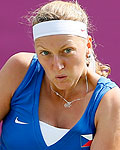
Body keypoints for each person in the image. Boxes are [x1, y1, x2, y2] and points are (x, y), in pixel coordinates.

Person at [0, 0, 120, 150]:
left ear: (88, 46)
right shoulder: (19, 69)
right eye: (45, 53)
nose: (57, 66)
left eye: (67, 50)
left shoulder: (110, 101)